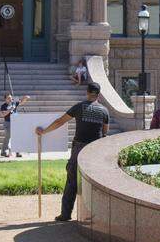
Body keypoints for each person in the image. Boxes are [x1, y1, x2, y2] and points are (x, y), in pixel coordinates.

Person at [37, 83, 109, 222]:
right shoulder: (104, 111)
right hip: (95, 149)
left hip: (79, 148)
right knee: (93, 183)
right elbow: (105, 132)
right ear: (99, 95)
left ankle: (65, 214)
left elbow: (59, 122)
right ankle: (95, 216)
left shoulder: (79, 107)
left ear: (87, 93)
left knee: (72, 180)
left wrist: (43, 131)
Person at [0, 93, 29, 158]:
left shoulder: (14, 103)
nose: (10, 99)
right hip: (8, 122)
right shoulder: (3, 106)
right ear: (5, 99)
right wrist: (10, 110)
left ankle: (17, 152)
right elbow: (2, 115)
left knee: (17, 137)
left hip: (15, 122)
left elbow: (21, 102)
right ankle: (3, 152)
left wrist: (25, 98)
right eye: (8, 98)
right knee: (7, 137)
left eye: (11, 98)